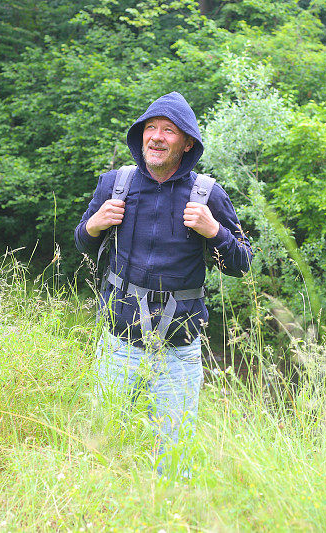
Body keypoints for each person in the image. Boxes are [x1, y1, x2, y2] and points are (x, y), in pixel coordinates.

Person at [74, 92, 252, 475]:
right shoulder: (114, 184)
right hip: (118, 343)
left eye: (168, 130)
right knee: (100, 448)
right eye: (149, 128)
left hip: (179, 350)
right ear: (140, 136)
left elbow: (241, 262)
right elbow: (82, 243)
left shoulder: (206, 194)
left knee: (173, 460)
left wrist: (215, 231)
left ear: (187, 143)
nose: (156, 137)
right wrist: (95, 224)